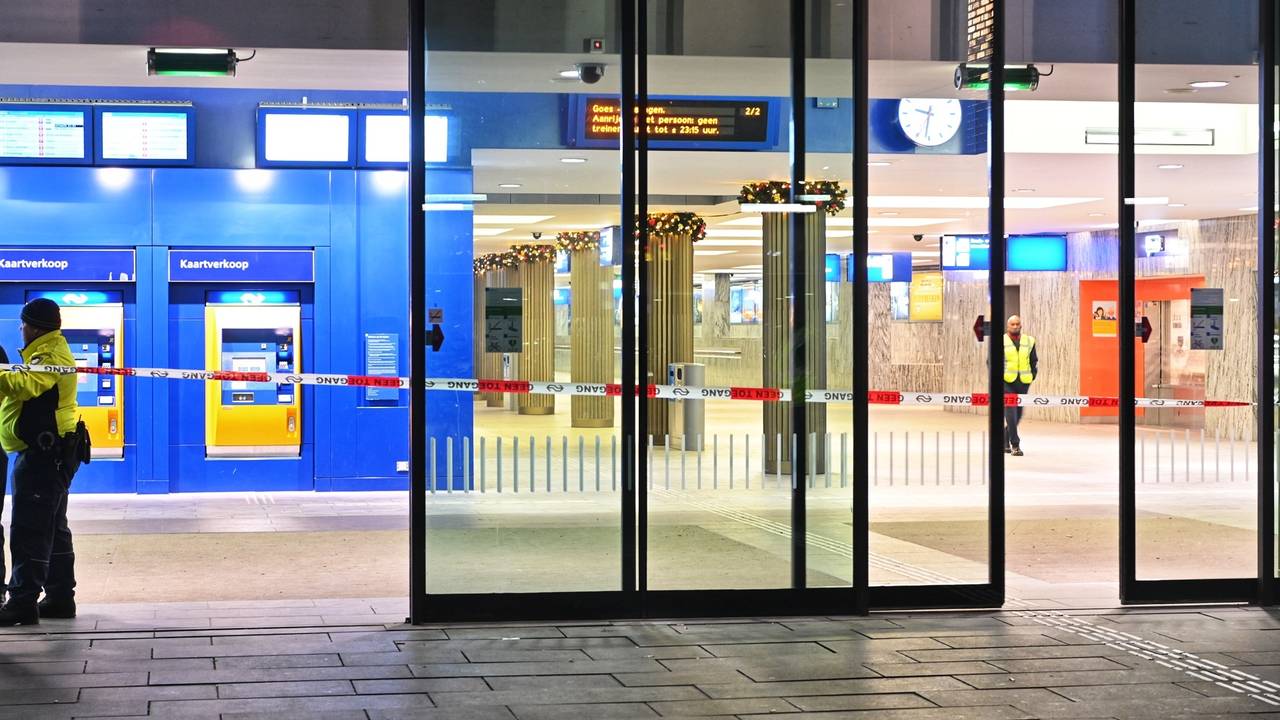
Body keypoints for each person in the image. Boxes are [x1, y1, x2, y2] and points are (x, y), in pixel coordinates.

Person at [0, 299, 80, 626]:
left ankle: (22, 602)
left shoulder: (49, 355)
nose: (21, 329)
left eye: (23, 324)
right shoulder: (45, 352)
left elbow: (24, 386)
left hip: (43, 454)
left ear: (33, 327)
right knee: (53, 527)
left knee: (29, 528)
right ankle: (60, 597)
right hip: (51, 452)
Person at [1002, 315, 1037, 457]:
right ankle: (1015, 444)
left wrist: (1032, 375)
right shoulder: (1001, 341)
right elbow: (991, 361)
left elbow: (1033, 361)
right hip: (1006, 382)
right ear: (1008, 326)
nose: (1015, 326)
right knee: (1011, 411)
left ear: (1021, 325)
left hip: (1023, 382)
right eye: (1012, 324)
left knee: (1018, 415)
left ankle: (1004, 438)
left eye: (1017, 324)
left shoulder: (1029, 341)